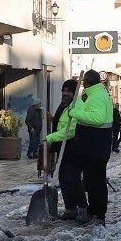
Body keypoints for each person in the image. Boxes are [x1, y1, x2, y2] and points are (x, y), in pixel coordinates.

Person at [65, 70, 114, 225]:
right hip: (92, 148)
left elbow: (97, 118)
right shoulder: (95, 94)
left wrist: (75, 112)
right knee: (91, 181)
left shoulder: (97, 96)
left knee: (96, 182)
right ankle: (93, 212)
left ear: (85, 82)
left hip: (96, 148)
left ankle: (99, 215)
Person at [44, 80, 81, 220]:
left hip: (73, 147)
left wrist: (50, 138)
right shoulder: (64, 104)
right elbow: (61, 122)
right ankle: (70, 208)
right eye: (63, 90)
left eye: (68, 91)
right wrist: (51, 119)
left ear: (74, 92)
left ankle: (81, 207)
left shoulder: (77, 106)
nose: (65, 93)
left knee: (72, 178)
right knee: (64, 178)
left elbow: (70, 130)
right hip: (63, 146)